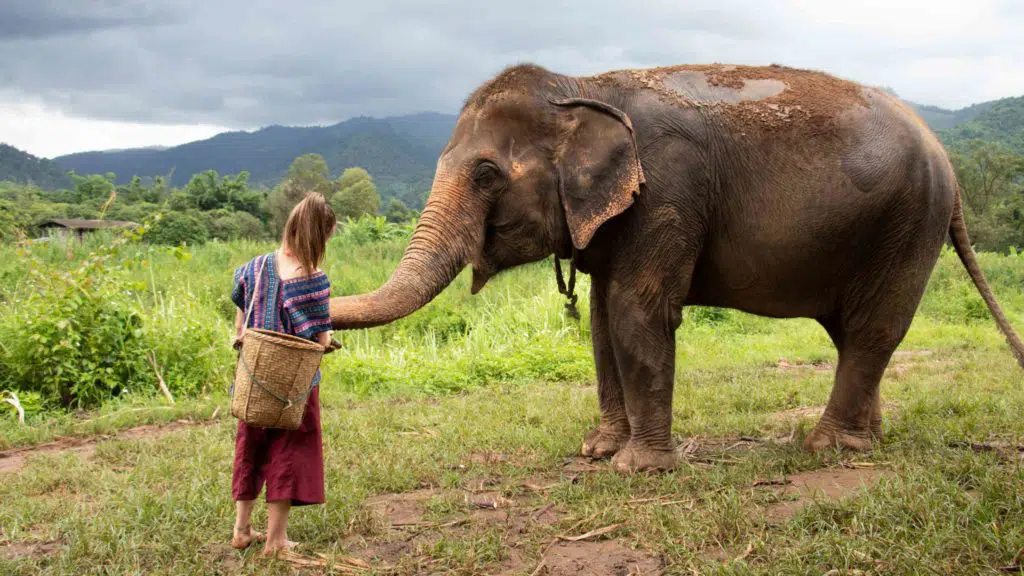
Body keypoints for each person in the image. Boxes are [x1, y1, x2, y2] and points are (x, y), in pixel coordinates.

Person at [227, 192, 337, 556]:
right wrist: (330, 338)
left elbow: (241, 324)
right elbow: (320, 338)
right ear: (318, 238)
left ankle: (242, 529)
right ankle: (275, 541)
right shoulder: (313, 280)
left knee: (250, 448)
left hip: (252, 380)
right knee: (288, 451)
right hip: (293, 387)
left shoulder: (251, 268)